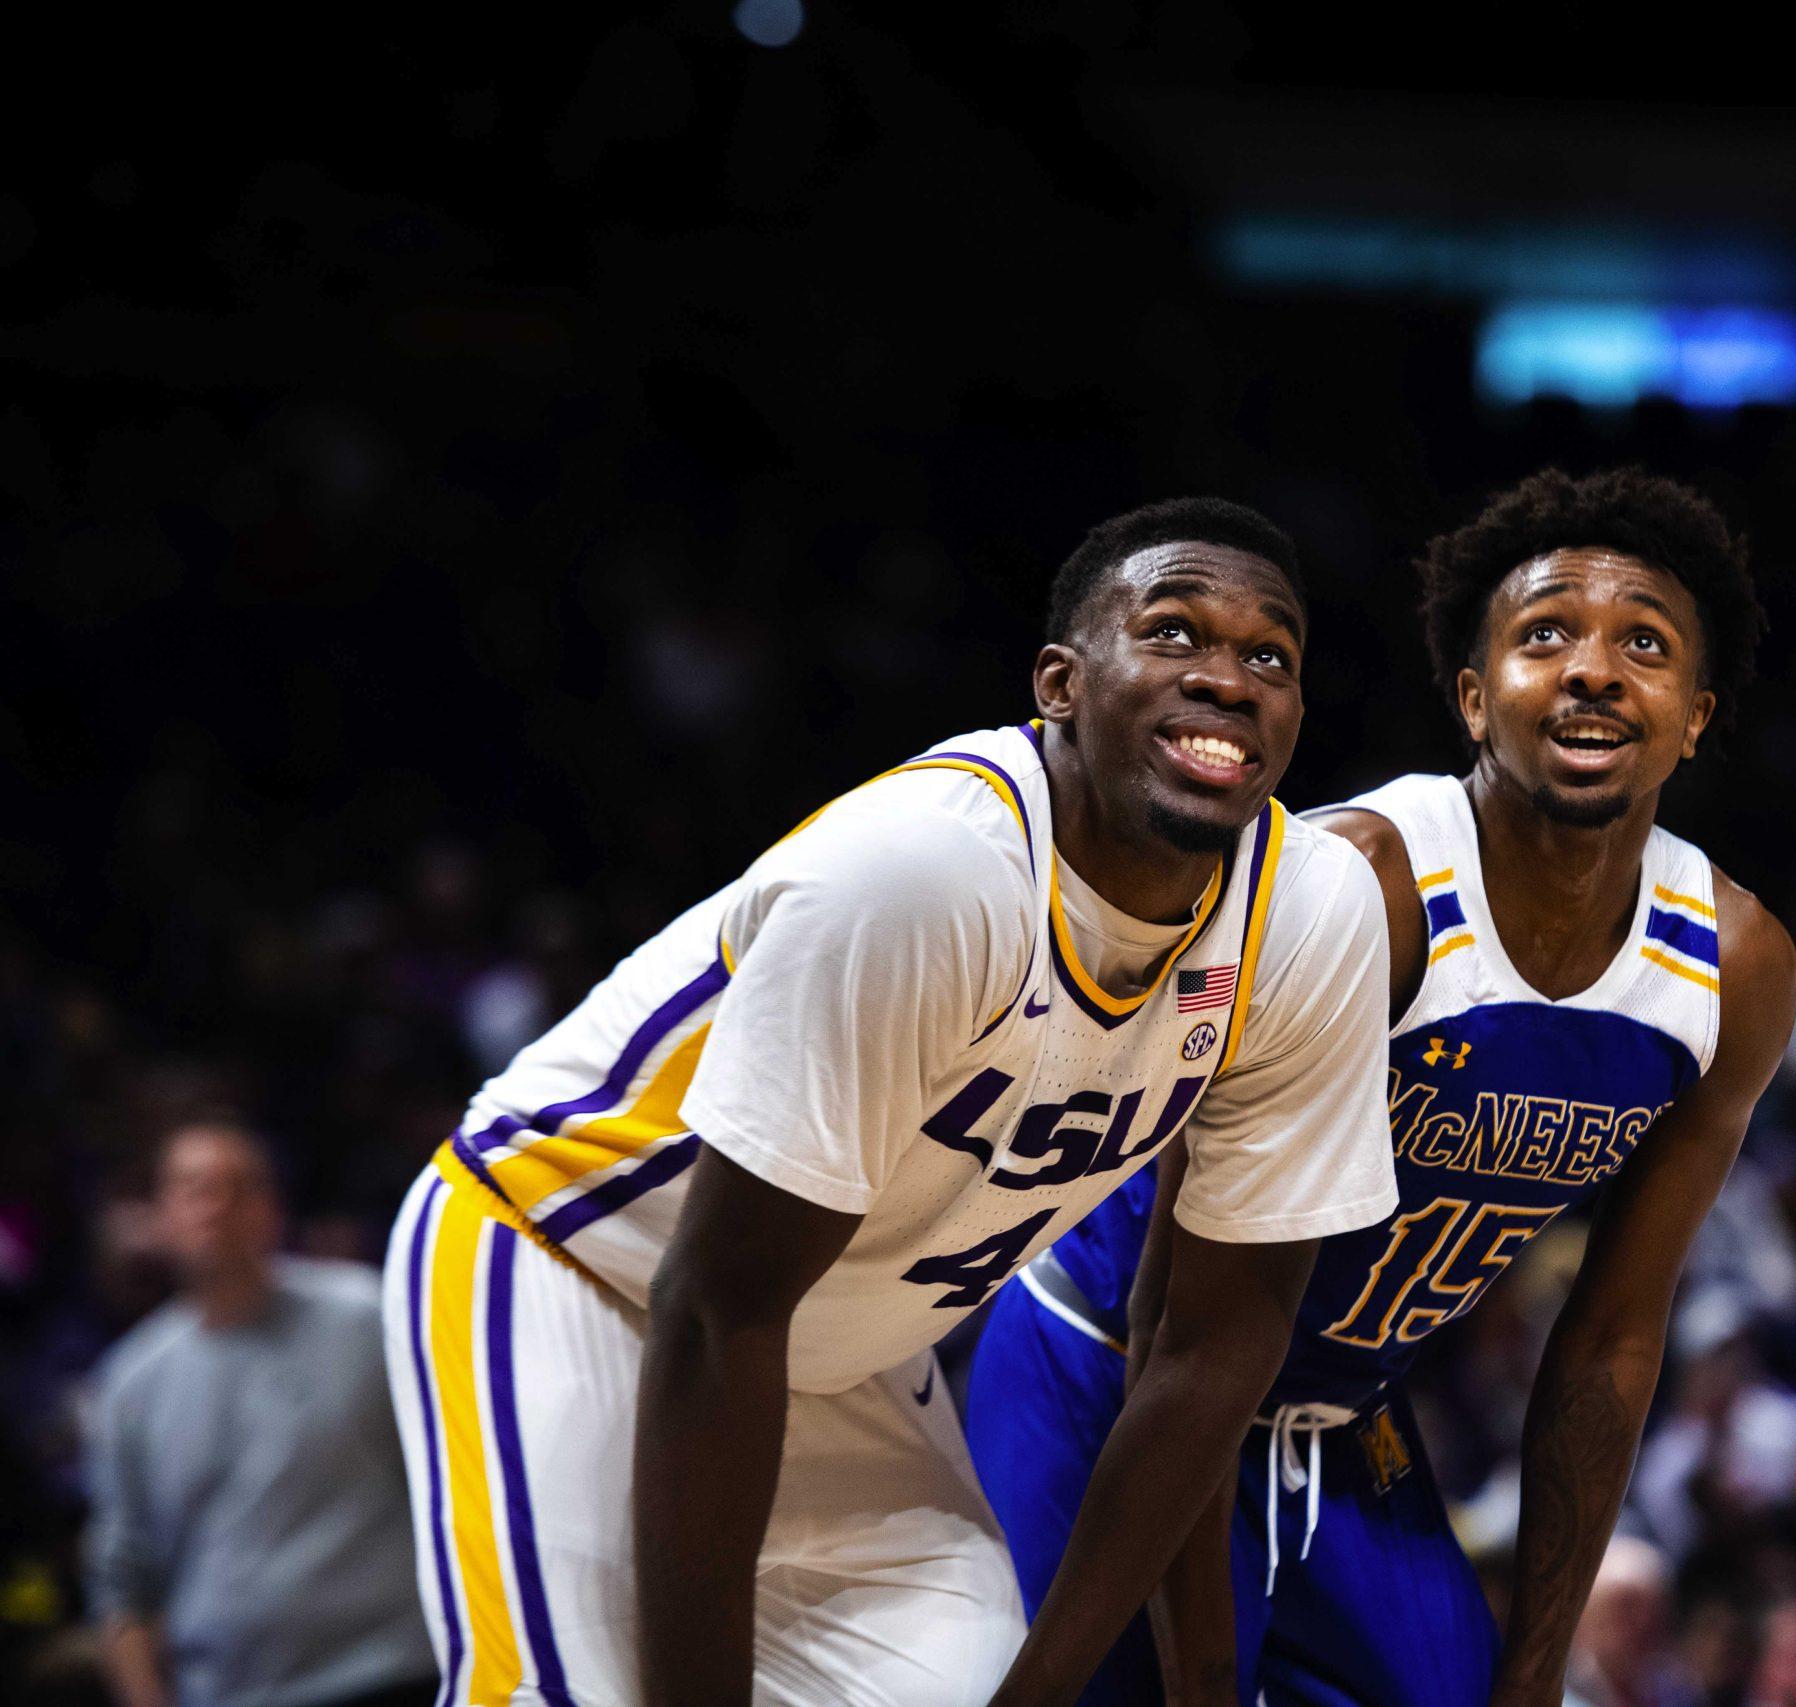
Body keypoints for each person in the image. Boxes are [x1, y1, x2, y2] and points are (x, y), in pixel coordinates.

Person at [383, 497, 1400, 1707]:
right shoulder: (923, 871)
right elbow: (715, 1314)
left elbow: (1214, 1347)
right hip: (577, 1259)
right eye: (1175, 633)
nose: (1228, 678)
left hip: (836, 1349)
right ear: (1060, 686)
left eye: (1267, 656)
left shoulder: (1316, 915)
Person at [967, 467, 1796, 1704]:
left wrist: (1534, 1673)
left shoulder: (1732, 966)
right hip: (1116, 1373)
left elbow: (1611, 1342)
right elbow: (1180, 1326)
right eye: (1544, 635)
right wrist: (1203, 1678)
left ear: (1692, 716)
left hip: (1342, 1416)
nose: (1592, 669)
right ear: (1474, 700)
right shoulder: (1362, 889)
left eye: (1644, 644)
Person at [87, 1122, 435, 1707]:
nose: (218, 1206)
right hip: (235, 1688)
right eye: (195, 1188)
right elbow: (124, 1584)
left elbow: (461, 1481)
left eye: (241, 1187)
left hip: (397, 1669)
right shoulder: (130, 1383)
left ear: (273, 1208)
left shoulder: (369, 1316)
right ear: (160, 1215)